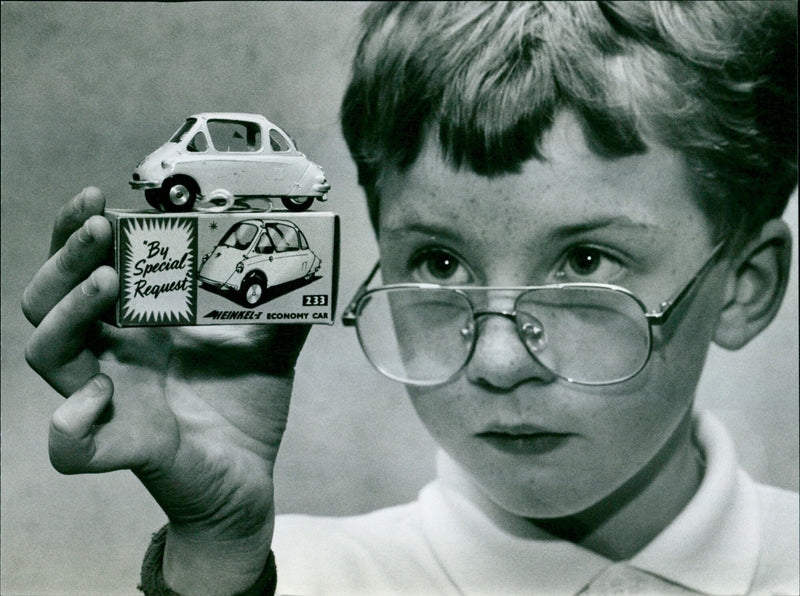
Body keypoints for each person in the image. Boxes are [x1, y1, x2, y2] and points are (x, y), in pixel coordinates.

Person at [22, 1, 798, 594]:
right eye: (438, 262)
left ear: (746, 285)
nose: (497, 361)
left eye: (586, 260)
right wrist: (217, 551)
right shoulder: (281, 576)